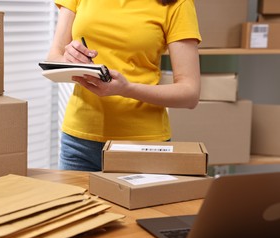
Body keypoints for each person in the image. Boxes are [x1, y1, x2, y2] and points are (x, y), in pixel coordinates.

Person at [47, 0, 202, 172]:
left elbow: (190, 93)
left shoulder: (179, 4)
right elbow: (54, 57)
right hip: (79, 142)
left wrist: (127, 89)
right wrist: (70, 59)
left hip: (142, 145)